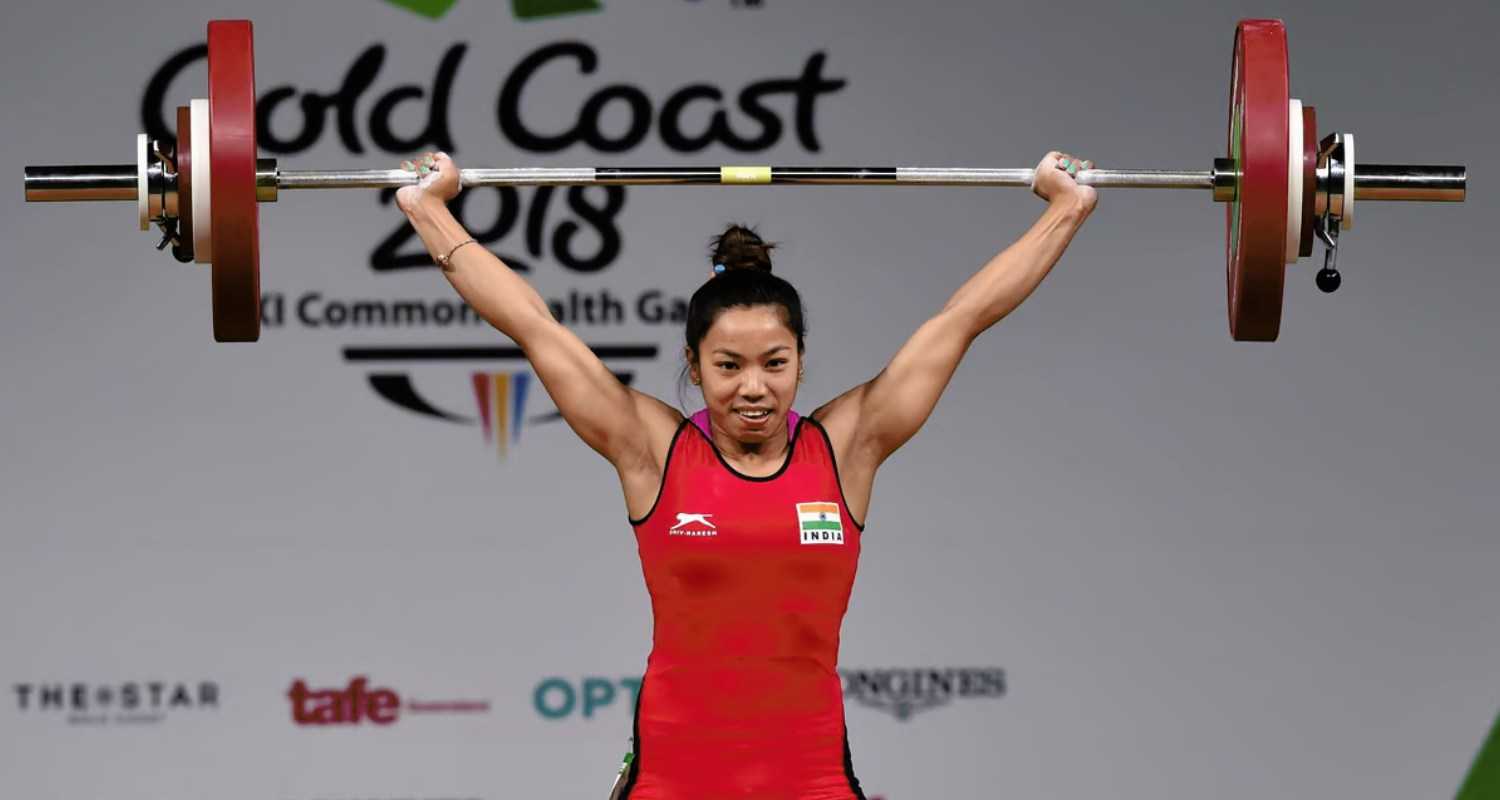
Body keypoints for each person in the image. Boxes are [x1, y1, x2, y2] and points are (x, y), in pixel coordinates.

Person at [395, 150, 1097, 799]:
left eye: (775, 363)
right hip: (673, 774)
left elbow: (963, 318)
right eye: (728, 367)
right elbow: (533, 326)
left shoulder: (846, 447)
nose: (753, 388)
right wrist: (429, 209)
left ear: (800, 358)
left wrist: (1065, 207)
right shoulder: (652, 449)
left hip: (811, 774)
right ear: (695, 366)